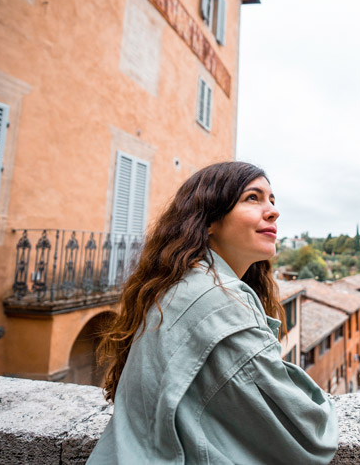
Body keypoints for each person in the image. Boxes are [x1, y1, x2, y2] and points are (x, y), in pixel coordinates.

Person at [88, 162, 338, 464]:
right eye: (253, 198)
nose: (273, 210)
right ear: (208, 221)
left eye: (272, 200)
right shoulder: (219, 302)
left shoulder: (180, 286)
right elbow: (308, 436)